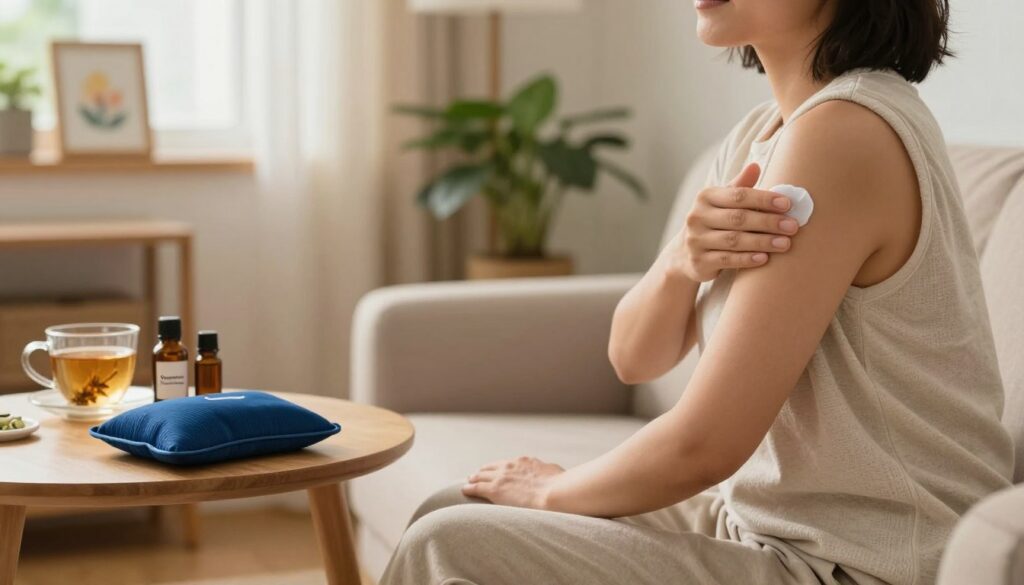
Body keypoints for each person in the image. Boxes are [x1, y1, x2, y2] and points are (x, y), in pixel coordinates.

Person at [380, 0, 1015, 583]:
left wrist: (552, 490)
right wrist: (680, 263)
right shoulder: (760, 135)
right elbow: (635, 358)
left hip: (860, 563)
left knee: (448, 544)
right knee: (453, 506)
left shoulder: (844, 134)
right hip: (762, 526)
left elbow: (704, 447)